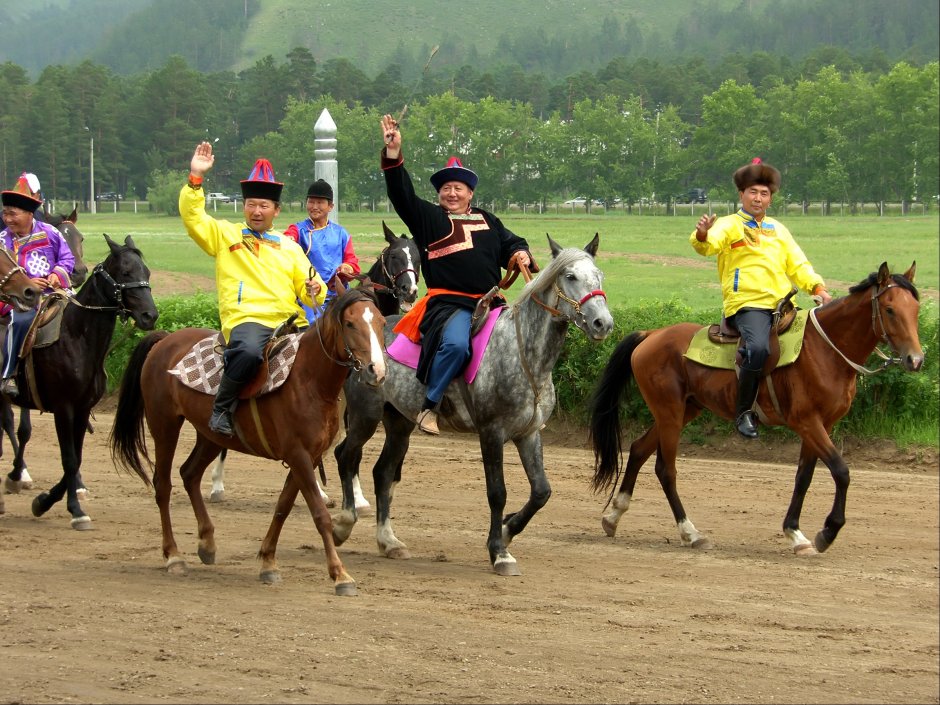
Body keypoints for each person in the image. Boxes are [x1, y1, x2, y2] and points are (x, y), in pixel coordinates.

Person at [380, 113, 535, 435]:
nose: (452, 193)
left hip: (492, 303)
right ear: (439, 194)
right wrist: (393, 154)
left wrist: (520, 253)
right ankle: (428, 407)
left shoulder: (488, 220)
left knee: (526, 342)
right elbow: (401, 194)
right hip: (450, 304)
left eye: (458, 188)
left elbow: (512, 242)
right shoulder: (428, 219)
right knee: (455, 347)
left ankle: (523, 408)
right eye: (446, 188)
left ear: (470, 194)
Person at [180, 141, 327, 437]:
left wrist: (315, 286)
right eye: (251, 205)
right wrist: (196, 178)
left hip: (291, 321)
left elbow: (311, 288)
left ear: (276, 210)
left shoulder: (289, 246)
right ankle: (222, 407)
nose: (256, 211)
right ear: (244, 206)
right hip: (247, 319)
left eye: (263, 206)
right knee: (248, 353)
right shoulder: (224, 234)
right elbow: (194, 218)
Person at [690, 157, 832, 440]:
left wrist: (817, 288)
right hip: (747, 305)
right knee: (758, 350)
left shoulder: (778, 230)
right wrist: (703, 234)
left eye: (764, 194)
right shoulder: (729, 225)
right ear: (741, 194)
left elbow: (798, 264)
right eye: (753, 192)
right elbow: (708, 245)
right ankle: (743, 412)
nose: (758, 198)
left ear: (770, 199)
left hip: (782, 306)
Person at [0, 174, 75, 396]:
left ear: (29, 214)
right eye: (5, 213)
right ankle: (9, 374)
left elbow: (67, 259)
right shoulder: (2, 241)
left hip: (55, 292)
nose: (8, 219)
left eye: (13, 214)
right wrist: (28, 284)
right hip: (19, 299)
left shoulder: (50, 233)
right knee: (20, 320)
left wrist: (55, 276)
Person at [283, 178, 360, 322]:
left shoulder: (341, 233)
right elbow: (287, 238)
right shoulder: (298, 230)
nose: (314, 206)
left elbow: (351, 260)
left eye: (320, 203)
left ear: (330, 206)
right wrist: (289, 240)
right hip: (310, 296)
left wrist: (347, 267)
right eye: (311, 202)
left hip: (339, 295)